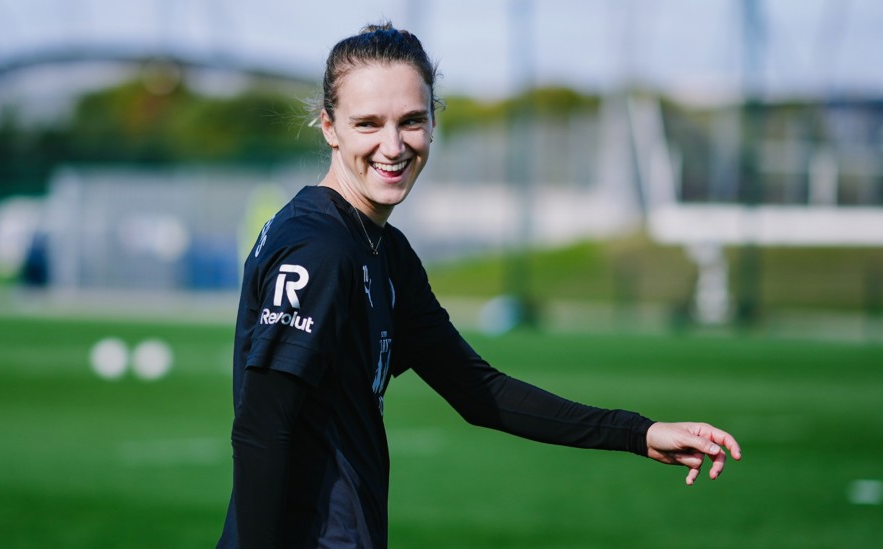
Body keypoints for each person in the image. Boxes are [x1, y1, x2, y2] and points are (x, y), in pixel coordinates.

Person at [217, 22, 741, 549]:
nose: (393, 145)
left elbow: (479, 392)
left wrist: (639, 433)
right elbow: (263, 428)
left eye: (412, 121)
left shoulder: (382, 250)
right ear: (330, 126)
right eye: (368, 123)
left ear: (433, 122)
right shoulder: (321, 250)